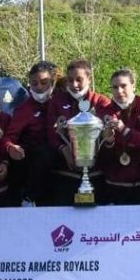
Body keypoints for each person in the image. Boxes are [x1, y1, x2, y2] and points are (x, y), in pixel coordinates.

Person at [45, 59, 113, 205]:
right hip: (65, 173)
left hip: (96, 174)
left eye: (79, 80)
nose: (74, 84)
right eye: (70, 80)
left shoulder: (102, 102)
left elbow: (108, 135)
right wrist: (63, 149)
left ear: (89, 79)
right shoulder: (56, 102)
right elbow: (51, 133)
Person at [2, 61, 58, 206]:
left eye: (44, 82)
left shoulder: (61, 102)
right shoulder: (24, 109)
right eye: (34, 83)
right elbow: (8, 138)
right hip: (32, 163)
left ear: (53, 82)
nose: (39, 87)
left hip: (61, 161)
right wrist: (11, 147)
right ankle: (28, 199)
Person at [99, 69, 140, 204]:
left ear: (133, 86)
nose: (119, 91)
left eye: (123, 86)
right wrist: (108, 143)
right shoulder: (103, 112)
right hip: (116, 182)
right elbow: (100, 156)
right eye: (115, 87)